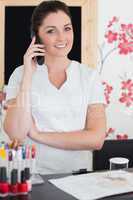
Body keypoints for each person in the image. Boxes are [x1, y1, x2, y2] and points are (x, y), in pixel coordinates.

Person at [4, 0, 106, 174]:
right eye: (51, 31)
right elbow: (16, 134)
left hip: (79, 176)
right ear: (36, 36)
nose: (62, 38)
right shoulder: (20, 75)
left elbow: (96, 139)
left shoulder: (89, 76)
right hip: (34, 176)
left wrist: (38, 135)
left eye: (67, 28)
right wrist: (28, 75)